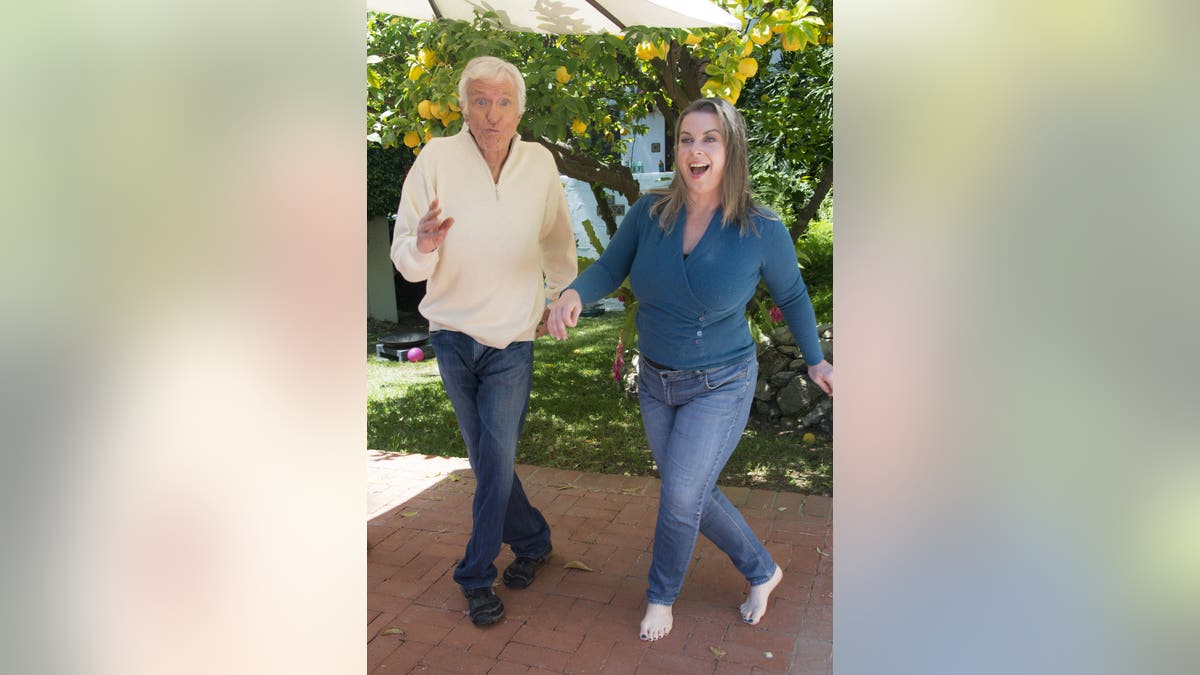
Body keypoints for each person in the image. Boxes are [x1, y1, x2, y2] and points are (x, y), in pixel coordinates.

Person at [546, 97, 833, 641]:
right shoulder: (650, 213)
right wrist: (573, 294)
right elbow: (610, 265)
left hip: (721, 382)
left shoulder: (759, 228)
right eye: (685, 138)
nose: (694, 149)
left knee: (680, 495)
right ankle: (762, 570)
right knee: (691, 491)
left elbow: (792, 295)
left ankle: (661, 596)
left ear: (730, 150)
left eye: (709, 139)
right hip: (655, 381)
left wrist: (816, 361)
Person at [391, 55, 577, 626]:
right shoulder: (436, 159)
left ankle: (475, 575)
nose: (492, 115)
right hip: (451, 335)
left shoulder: (540, 164)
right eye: (480, 101)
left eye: (503, 102)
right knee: (486, 460)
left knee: (493, 460)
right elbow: (405, 257)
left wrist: (561, 296)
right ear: (464, 107)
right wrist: (423, 243)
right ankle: (535, 541)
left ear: (518, 108)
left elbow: (556, 240)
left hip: (512, 339)